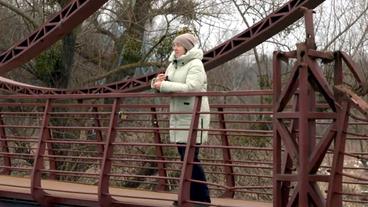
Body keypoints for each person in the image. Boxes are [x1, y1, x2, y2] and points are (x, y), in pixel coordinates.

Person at [151, 33, 211, 206]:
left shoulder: (196, 64)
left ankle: (202, 199)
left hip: (194, 116)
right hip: (179, 117)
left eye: (178, 45)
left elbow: (193, 87)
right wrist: (158, 82)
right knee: (185, 158)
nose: (175, 48)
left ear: (187, 47)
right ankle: (190, 198)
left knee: (190, 158)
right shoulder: (173, 64)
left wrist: (165, 85)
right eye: (174, 45)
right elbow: (168, 84)